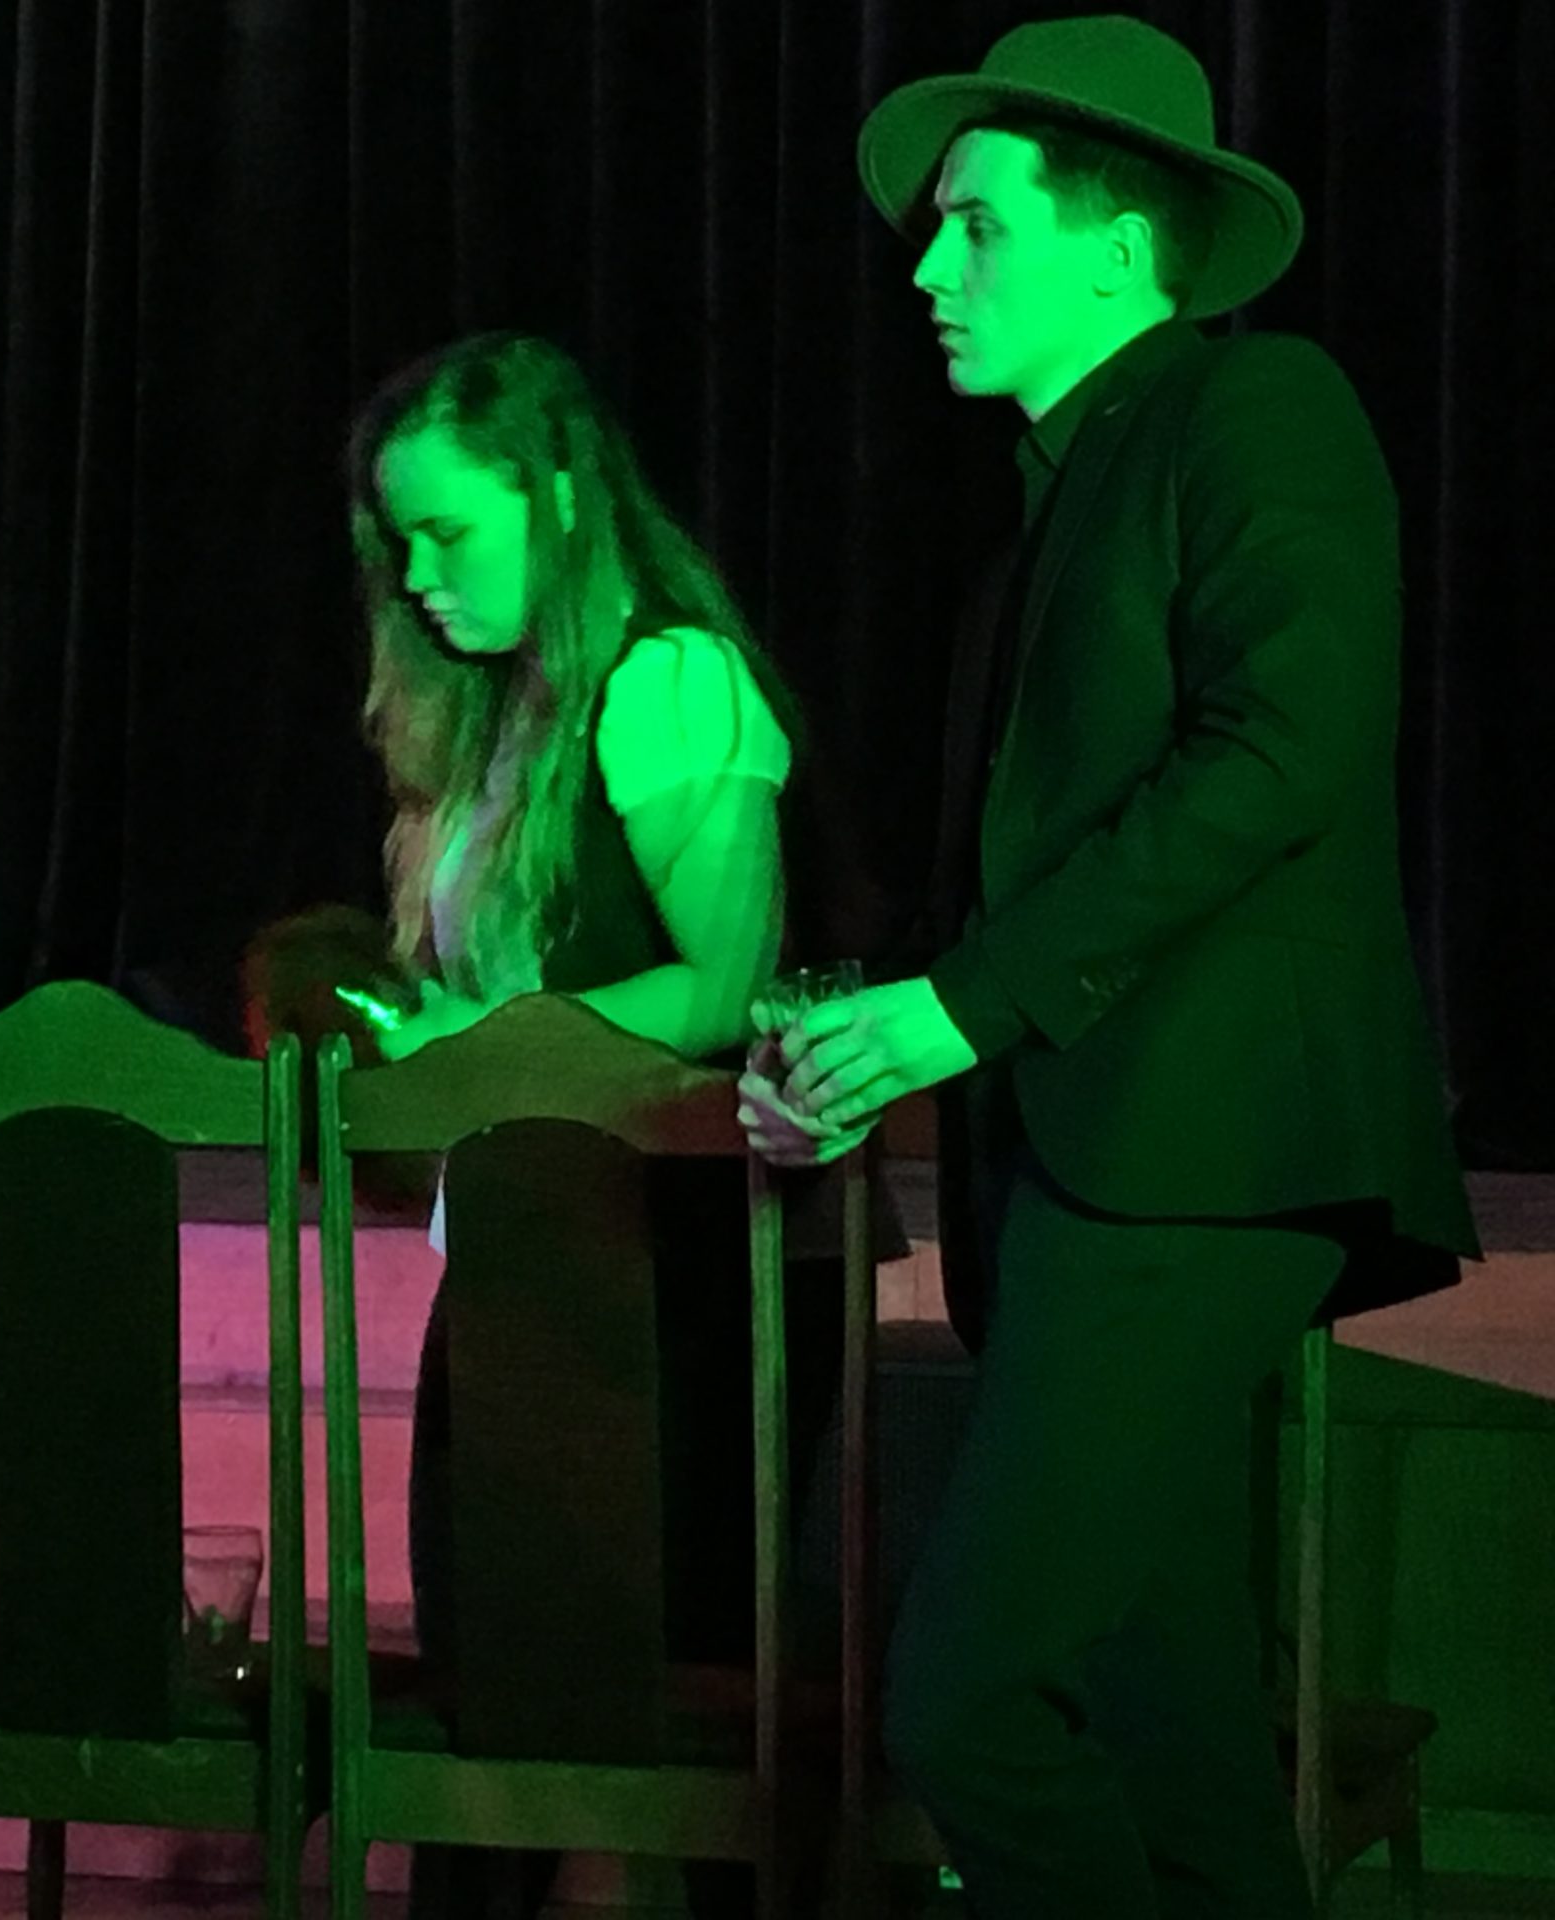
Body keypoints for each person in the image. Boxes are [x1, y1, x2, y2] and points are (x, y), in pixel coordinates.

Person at [740, 19, 1476, 1917]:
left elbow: (1285, 747)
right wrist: (858, 1045)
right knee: (1174, 1730)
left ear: (1121, 249)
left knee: (968, 1704)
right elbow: (1025, 881)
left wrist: (955, 1011)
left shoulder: (1256, 407)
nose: (926, 268)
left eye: (975, 224)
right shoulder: (1043, 521)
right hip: (1097, 1169)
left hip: (1204, 1155)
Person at [347, 330, 847, 1915]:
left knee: (669, 1709)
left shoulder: (669, 680)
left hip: (681, 1276)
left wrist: (482, 1042)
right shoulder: (502, 719)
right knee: (490, 1695)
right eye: (402, 542)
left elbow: (722, 984)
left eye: (450, 530)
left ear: (559, 492)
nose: (420, 575)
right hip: (525, 1250)